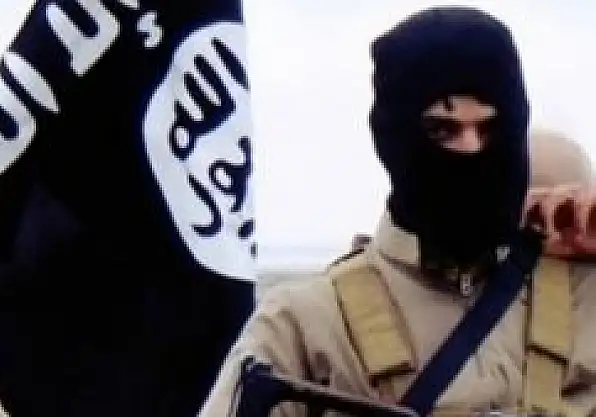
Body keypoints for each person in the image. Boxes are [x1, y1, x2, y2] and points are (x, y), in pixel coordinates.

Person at [198, 6, 596, 417]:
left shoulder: (583, 295)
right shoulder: (305, 325)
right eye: (443, 130)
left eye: (491, 129)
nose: (471, 151)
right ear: (393, 140)